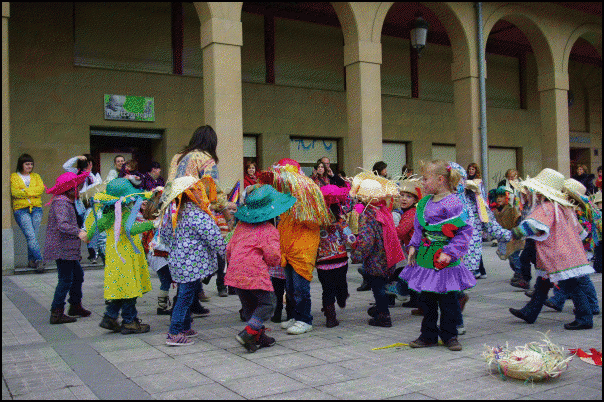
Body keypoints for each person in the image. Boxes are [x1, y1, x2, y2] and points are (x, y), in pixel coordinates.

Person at [401, 160, 476, 351]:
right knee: (426, 300)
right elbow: (419, 228)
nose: (423, 183)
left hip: (445, 259)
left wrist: (450, 253)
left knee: (448, 300)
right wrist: (413, 246)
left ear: (440, 179)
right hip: (426, 258)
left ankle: (450, 335)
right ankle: (428, 335)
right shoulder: (424, 202)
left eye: (426, 179)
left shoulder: (454, 203)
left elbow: (463, 231)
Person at [509, 169, 595, 330]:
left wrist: (513, 233)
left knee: (571, 285)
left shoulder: (547, 207)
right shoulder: (563, 207)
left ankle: (585, 317)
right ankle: (530, 312)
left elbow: (532, 226)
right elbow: (581, 232)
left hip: (557, 255)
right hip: (566, 252)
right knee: (543, 283)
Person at [167, 125, 235, 300]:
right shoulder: (205, 158)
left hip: (175, 211)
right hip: (195, 210)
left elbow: (170, 184)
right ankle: (186, 301)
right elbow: (214, 190)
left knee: (184, 254)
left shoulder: (178, 156)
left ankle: (193, 295)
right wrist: (227, 215)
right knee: (197, 253)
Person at [226, 185, 295, 352]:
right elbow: (273, 256)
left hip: (235, 272)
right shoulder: (269, 230)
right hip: (254, 271)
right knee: (267, 303)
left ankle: (259, 337)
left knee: (250, 307)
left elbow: (229, 248)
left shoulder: (241, 226)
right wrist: (275, 262)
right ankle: (248, 333)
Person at [159, 176, 226, 346]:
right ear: (191, 193)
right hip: (193, 264)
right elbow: (214, 236)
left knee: (187, 294)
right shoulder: (196, 213)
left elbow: (164, 236)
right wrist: (224, 251)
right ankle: (174, 333)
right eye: (197, 190)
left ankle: (185, 326)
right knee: (185, 297)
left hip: (178, 262)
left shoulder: (173, 213)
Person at [270, 158, 331, 335]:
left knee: (300, 288)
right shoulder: (286, 199)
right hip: (288, 249)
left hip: (302, 250)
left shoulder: (308, 194)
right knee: (290, 289)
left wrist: (301, 212)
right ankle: (295, 316)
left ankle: (305, 319)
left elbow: (316, 221)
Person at [87, 178, 154, 335]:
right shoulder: (123, 213)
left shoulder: (109, 214)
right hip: (126, 256)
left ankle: (110, 317)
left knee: (121, 288)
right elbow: (131, 229)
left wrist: (87, 234)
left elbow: (94, 229)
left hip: (115, 256)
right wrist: (153, 224)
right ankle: (130, 322)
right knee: (129, 291)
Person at [350, 171, 405, 328]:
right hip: (387, 256)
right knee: (381, 286)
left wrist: (357, 255)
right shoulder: (383, 210)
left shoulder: (368, 215)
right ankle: (380, 309)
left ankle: (383, 315)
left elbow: (367, 240)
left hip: (375, 258)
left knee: (377, 288)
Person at [542, 179, 601, 315]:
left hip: (580, 248)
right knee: (566, 275)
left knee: (582, 278)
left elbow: (583, 232)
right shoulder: (567, 208)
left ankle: (592, 304)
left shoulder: (580, 210)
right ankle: (558, 300)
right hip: (571, 247)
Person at [44, 170, 92, 324]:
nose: (79, 190)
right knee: (65, 279)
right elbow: (63, 225)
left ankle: (75, 305)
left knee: (77, 275)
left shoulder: (68, 202)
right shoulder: (61, 203)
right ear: (69, 189)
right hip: (62, 248)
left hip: (67, 248)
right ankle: (56, 312)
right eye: (77, 187)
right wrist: (79, 232)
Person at [316, 184, 356, 328]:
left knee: (327, 290)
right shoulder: (340, 222)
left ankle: (330, 317)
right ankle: (342, 296)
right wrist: (357, 246)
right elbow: (350, 239)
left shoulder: (317, 222)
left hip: (322, 262)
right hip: (340, 260)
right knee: (341, 283)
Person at [10, 154, 46, 272]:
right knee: (31, 236)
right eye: (27, 164)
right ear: (21, 164)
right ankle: (39, 260)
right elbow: (15, 192)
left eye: (31, 164)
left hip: (36, 209)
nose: (29, 166)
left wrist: (24, 191)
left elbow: (40, 189)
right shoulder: (14, 176)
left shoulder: (36, 176)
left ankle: (31, 261)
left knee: (33, 236)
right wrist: (32, 192)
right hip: (21, 210)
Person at [491, 186, 524, 285]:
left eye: (501, 196)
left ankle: (520, 274)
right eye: (497, 197)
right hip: (504, 237)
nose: (499, 199)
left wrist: (517, 232)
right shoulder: (496, 211)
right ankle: (518, 272)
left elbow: (518, 219)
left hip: (514, 235)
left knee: (514, 256)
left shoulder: (512, 209)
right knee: (510, 257)